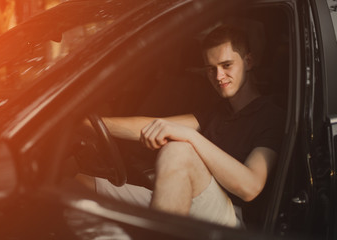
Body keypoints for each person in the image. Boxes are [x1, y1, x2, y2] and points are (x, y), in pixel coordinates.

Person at [78, 24, 285, 228]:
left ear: (248, 61)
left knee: (179, 150)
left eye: (226, 65)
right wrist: (87, 123)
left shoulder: (270, 115)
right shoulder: (217, 112)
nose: (218, 76)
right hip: (195, 198)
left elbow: (250, 186)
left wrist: (190, 136)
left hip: (232, 219)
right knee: (81, 184)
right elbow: (153, 125)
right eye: (211, 69)